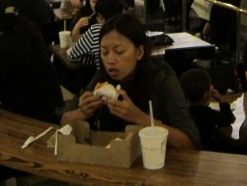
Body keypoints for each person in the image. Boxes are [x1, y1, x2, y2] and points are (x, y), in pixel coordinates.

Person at [60, 13, 200, 149]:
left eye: (119, 51)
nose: (110, 60)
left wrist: (139, 117)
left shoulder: (162, 78)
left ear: (139, 52)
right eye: (104, 52)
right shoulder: (103, 78)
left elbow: (189, 142)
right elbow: (63, 120)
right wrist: (82, 113)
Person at [179, 68, 237, 153]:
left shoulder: (184, 111)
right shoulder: (205, 112)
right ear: (205, 95)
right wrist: (221, 100)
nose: (212, 87)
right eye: (210, 85)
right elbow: (227, 119)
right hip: (209, 150)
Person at [67, 0, 124, 68]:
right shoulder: (127, 28)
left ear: (100, 16)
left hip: (103, 75)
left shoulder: (96, 30)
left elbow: (73, 55)